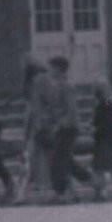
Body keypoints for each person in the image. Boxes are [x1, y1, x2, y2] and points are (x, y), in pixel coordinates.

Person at [39, 56, 91, 202]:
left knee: (58, 160)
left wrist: (60, 125)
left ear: (58, 69)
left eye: (51, 67)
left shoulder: (67, 86)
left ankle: (60, 193)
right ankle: (89, 182)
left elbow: (71, 109)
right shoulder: (58, 85)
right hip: (61, 127)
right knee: (65, 160)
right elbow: (57, 108)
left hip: (68, 128)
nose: (49, 71)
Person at [18, 55, 51, 200]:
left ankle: (41, 181)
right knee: (35, 152)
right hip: (35, 118)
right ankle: (37, 180)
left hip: (40, 119)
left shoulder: (40, 81)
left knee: (39, 151)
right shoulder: (35, 81)